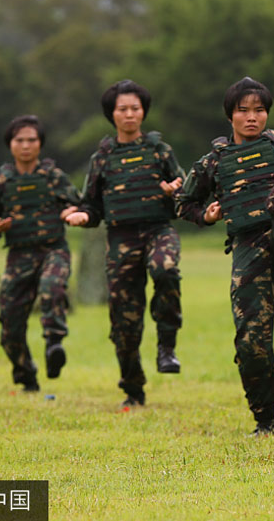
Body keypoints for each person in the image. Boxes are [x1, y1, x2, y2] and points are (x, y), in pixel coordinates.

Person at [176, 77, 274, 436]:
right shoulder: (215, 161)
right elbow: (184, 202)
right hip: (248, 248)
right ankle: (265, 417)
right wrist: (206, 215)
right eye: (244, 110)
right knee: (250, 338)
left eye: (259, 110)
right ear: (230, 116)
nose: (252, 117)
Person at [65, 79, 185, 408]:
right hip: (120, 239)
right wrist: (81, 217)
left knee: (165, 269)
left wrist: (175, 190)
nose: (129, 114)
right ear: (112, 114)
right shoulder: (102, 159)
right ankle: (133, 388)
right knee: (124, 322)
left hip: (158, 230)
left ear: (143, 112)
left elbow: (185, 192)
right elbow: (90, 205)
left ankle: (167, 347)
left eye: (135, 108)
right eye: (123, 109)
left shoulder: (160, 150)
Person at [0, 115, 80, 392]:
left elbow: (80, 205)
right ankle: (26, 377)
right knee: (10, 326)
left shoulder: (55, 178)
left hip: (53, 250)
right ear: (10, 144)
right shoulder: (0, 185)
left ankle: (54, 343)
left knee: (51, 286)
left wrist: (72, 212)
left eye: (31, 140)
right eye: (19, 140)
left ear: (40, 144)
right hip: (19, 256)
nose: (26, 146)